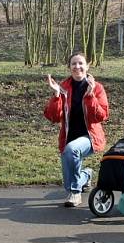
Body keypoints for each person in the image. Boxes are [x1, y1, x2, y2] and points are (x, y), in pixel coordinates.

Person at [44, 52, 109, 207]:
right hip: (68, 137)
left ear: (87, 66)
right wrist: (57, 94)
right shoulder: (64, 88)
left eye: (81, 63)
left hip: (90, 137)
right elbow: (53, 117)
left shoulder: (97, 88)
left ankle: (75, 192)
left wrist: (91, 95)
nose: (77, 67)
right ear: (69, 67)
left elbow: (102, 116)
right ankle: (86, 175)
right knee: (69, 157)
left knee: (72, 150)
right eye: (73, 64)